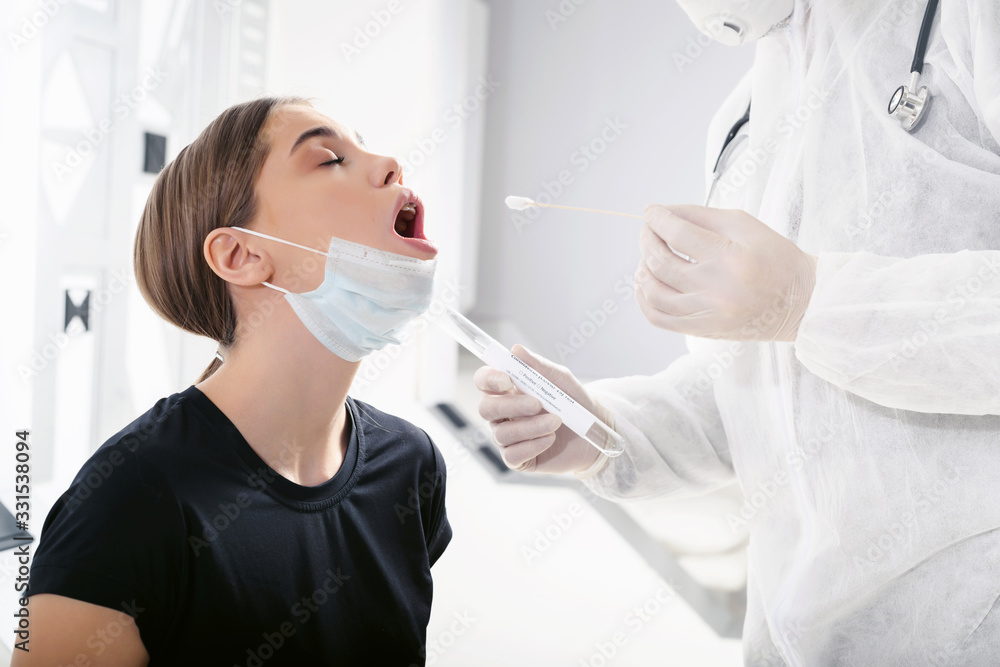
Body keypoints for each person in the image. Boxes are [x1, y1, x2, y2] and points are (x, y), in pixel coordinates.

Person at [476, 0, 1000, 664]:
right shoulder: (745, 121)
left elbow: (804, 317)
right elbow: (759, 397)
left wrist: (808, 300)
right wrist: (607, 432)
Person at [19, 97, 452, 666]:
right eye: (329, 159)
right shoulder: (127, 501)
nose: (392, 163)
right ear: (241, 254)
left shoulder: (411, 466)